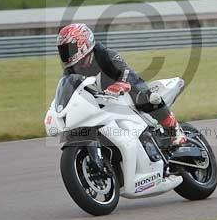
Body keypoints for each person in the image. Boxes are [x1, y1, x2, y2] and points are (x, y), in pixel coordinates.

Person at [56, 22, 187, 146]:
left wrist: (119, 85)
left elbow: (125, 73)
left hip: (125, 90)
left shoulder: (104, 55)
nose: (66, 54)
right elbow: (70, 90)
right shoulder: (71, 70)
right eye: (63, 50)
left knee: (148, 97)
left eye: (69, 49)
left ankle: (175, 131)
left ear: (83, 44)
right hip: (102, 100)